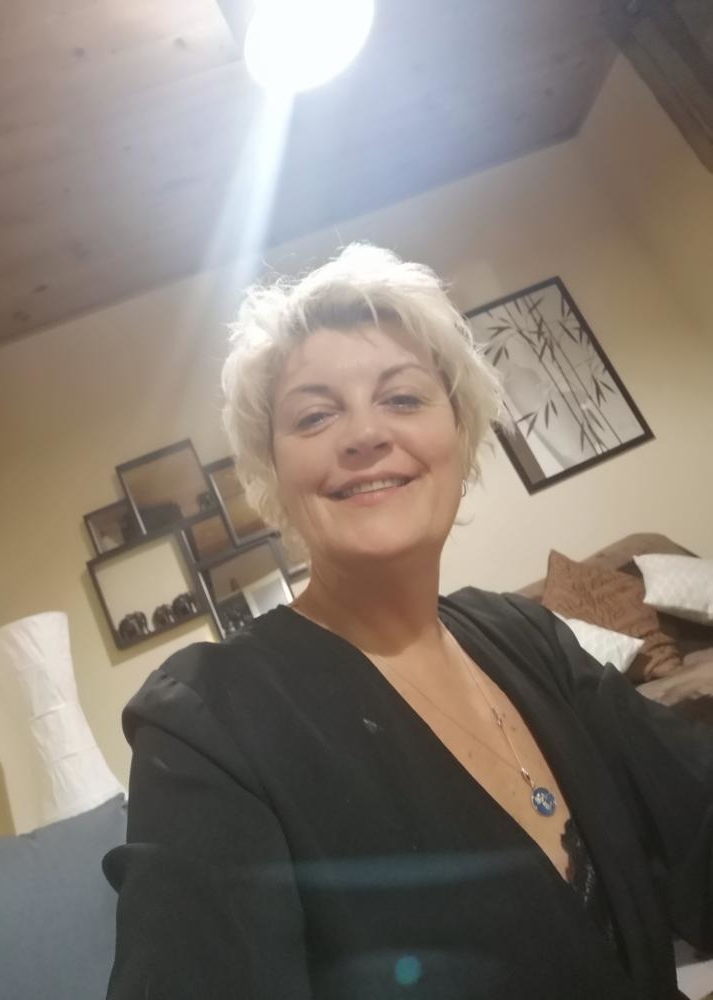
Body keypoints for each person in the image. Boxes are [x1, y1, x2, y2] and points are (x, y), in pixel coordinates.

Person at [104, 245, 713, 1000]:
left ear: (459, 436)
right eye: (315, 414)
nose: (364, 434)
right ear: (275, 476)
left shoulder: (527, 634)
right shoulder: (207, 720)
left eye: (401, 398)